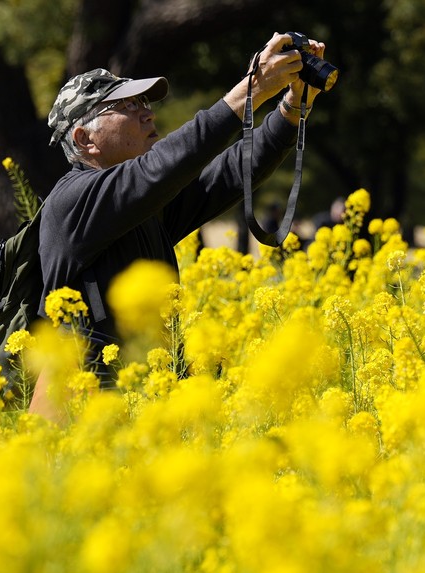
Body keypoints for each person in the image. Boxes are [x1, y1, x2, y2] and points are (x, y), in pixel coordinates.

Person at [37, 32, 328, 402]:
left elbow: (227, 174)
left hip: (147, 406)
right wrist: (252, 89)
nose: (147, 113)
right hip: (90, 412)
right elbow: (164, 166)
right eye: (126, 107)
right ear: (84, 139)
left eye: (144, 102)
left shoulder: (139, 206)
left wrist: (290, 107)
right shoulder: (75, 200)